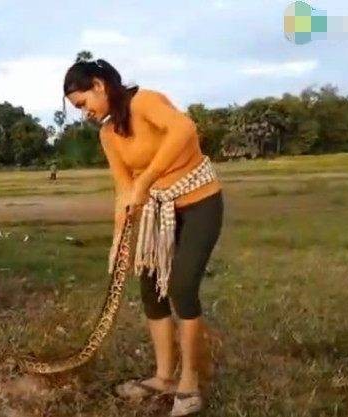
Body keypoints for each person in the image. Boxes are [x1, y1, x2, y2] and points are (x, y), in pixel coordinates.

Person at [64, 59, 224, 416]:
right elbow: (124, 191)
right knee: (150, 288)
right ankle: (164, 377)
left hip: (200, 203)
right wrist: (118, 241)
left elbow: (184, 130)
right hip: (157, 211)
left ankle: (190, 383)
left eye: (83, 103)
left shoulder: (145, 101)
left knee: (182, 287)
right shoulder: (108, 134)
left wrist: (147, 178)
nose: (84, 113)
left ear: (99, 85)